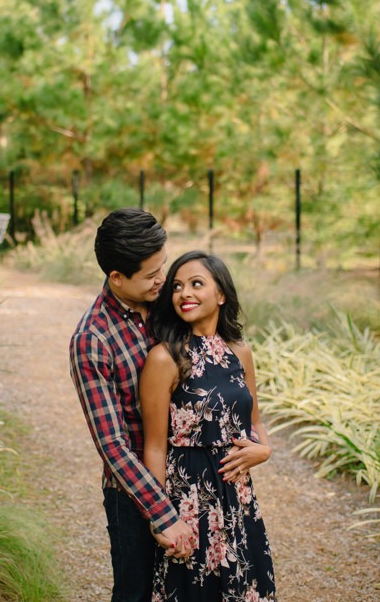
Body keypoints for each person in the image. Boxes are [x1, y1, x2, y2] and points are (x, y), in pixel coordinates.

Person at [70, 208, 196, 602]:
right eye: (151, 274)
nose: (164, 279)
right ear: (117, 277)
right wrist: (161, 513)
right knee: (136, 592)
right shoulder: (92, 340)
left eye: (164, 266)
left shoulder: (166, 303)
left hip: (193, 476)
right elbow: (113, 447)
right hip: (134, 493)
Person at [141, 250, 276, 601]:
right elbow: (155, 446)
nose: (184, 293)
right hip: (189, 498)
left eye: (196, 284)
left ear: (220, 295)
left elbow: (255, 420)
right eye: (177, 286)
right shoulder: (164, 357)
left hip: (239, 497)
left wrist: (265, 450)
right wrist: (162, 518)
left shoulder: (240, 351)